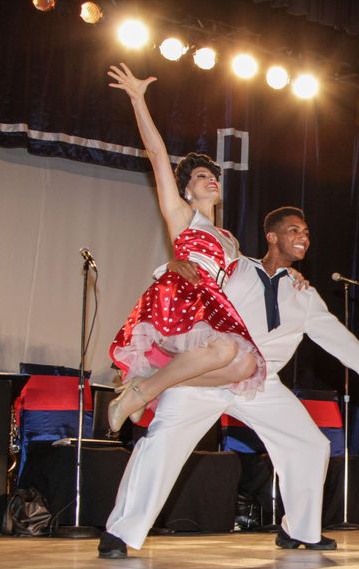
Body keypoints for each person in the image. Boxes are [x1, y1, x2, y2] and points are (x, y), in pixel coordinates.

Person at [98, 206, 359, 558]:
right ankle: (120, 532)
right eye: (295, 230)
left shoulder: (305, 295)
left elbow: (341, 342)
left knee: (310, 445)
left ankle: (299, 530)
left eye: (307, 233)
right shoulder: (237, 269)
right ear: (272, 236)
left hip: (262, 385)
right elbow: (197, 273)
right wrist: (169, 267)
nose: (304, 238)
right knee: (162, 443)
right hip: (207, 378)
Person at [105, 63, 267, 433]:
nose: (210, 180)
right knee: (226, 351)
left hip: (214, 302)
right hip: (185, 296)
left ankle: (145, 389)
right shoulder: (182, 215)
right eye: (200, 177)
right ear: (187, 191)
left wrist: (294, 276)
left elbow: (254, 275)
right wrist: (137, 99)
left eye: (213, 176)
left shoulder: (230, 239)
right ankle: (138, 394)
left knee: (244, 367)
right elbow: (158, 155)